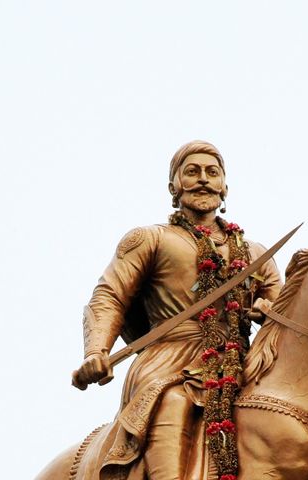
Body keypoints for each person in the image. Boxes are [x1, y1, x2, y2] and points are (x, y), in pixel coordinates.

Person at [71, 140, 281, 480]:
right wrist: (96, 350)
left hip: (243, 361)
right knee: (172, 401)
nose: (203, 180)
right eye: (192, 172)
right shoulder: (149, 238)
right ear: (174, 186)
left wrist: (268, 307)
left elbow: (284, 307)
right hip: (172, 359)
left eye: (212, 173)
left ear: (224, 186)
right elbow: (109, 295)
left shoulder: (257, 254)